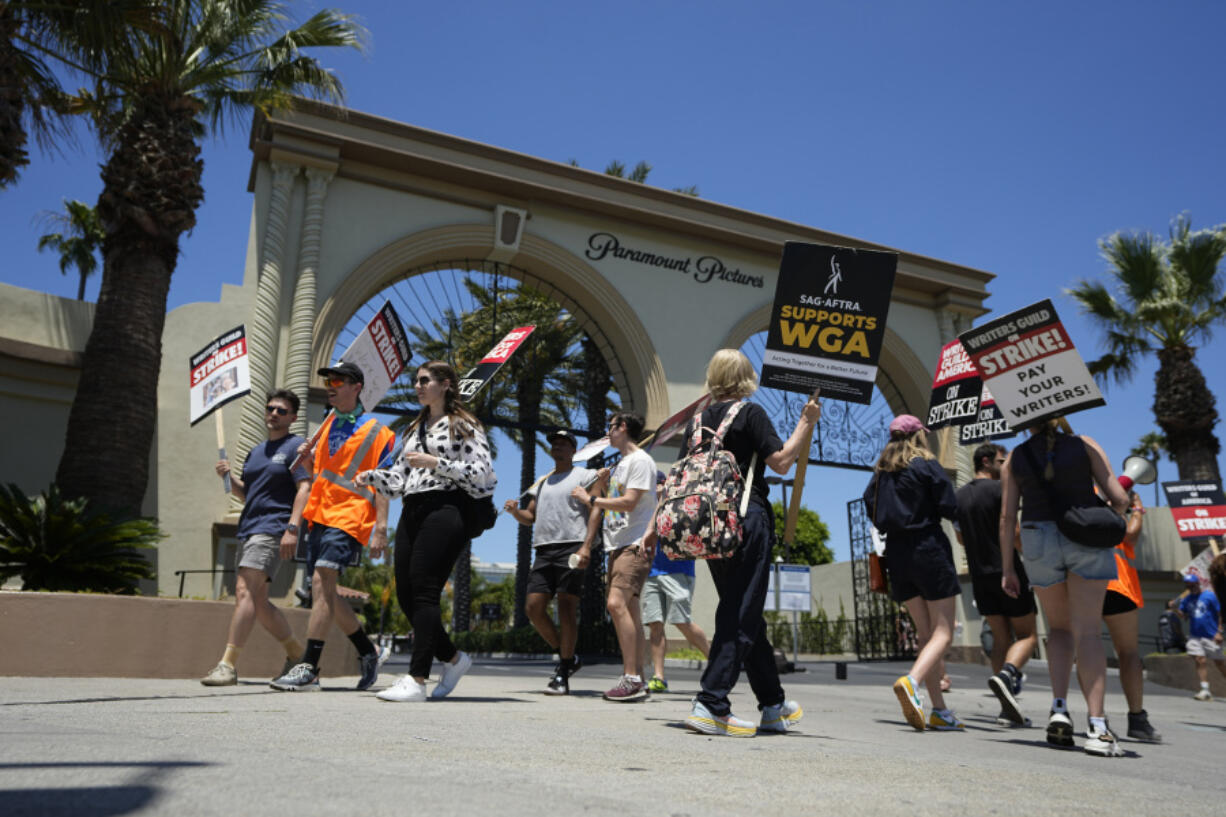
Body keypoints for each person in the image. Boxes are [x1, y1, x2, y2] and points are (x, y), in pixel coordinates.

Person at [648, 349, 817, 736]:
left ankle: (773, 704)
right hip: (746, 519)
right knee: (740, 612)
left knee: (746, 612)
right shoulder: (750, 413)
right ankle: (711, 702)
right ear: (746, 377)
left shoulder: (696, 423)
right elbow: (781, 462)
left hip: (710, 526)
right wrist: (805, 423)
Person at [361, 360, 497, 702]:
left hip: (446, 508)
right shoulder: (414, 428)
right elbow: (398, 481)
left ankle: (417, 678)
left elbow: (483, 474)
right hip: (413, 508)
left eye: (425, 381)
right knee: (406, 593)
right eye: (416, 381)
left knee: (425, 590)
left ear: (446, 384)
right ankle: (453, 658)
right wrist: (371, 477)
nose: (418, 386)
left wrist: (439, 464)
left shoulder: (462, 424)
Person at [1000, 417, 1129, 756]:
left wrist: (1007, 568)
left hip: (1037, 538)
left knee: (1057, 629)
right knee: (1087, 632)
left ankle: (1059, 709)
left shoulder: (1015, 457)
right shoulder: (1085, 445)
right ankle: (1097, 726)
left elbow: (1007, 517)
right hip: (1084, 531)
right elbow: (1120, 498)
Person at [271, 362, 394, 692]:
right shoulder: (324, 427)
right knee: (322, 589)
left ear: (357, 387)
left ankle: (309, 667)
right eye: (328, 380)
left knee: (322, 579)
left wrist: (381, 528)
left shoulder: (378, 432)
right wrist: (307, 458)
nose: (331, 385)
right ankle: (370, 651)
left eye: (338, 380)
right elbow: (319, 474)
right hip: (319, 515)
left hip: (351, 515)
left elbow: (384, 482)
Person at [201, 389, 310, 686]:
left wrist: (292, 528)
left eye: (281, 410)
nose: (274, 413)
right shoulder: (256, 451)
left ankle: (228, 665)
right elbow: (248, 494)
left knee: (244, 592)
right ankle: (297, 653)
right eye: (271, 408)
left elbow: (304, 488)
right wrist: (228, 478)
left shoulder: (296, 446)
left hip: (273, 528)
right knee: (259, 602)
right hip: (249, 528)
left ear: (292, 418)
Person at [865, 414, 964, 733]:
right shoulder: (925, 463)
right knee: (944, 631)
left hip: (896, 552)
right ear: (917, 436)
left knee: (925, 634)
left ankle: (939, 710)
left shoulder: (881, 473)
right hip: (928, 547)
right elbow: (950, 504)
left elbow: (871, 508)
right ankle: (912, 681)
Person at [504, 430, 605, 695]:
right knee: (533, 608)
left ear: (574, 450)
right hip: (544, 550)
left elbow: (596, 509)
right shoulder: (543, 481)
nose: (557, 447)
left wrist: (586, 546)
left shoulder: (585, 476)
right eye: (554, 444)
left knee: (566, 608)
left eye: (563, 443)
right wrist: (516, 512)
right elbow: (530, 517)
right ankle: (568, 657)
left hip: (572, 546)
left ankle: (562, 671)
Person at [570, 410, 656, 703]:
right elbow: (621, 499)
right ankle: (639, 679)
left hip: (633, 545)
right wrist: (605, 486)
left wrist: (591, 498)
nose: (608, 433)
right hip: (618, 544)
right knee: (630, 610)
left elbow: (630, 503)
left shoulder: (641, 461)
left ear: (623, 427)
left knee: (615, 603)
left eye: (611, 427)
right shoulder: (623, 463)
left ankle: (631, 678)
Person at [954, 442, 1038, 727]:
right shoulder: (1003, 489)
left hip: (980, 577)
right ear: (987, 461)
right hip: (1008, 570)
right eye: (1002, 461)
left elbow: (961, 539)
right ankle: (1008, 674)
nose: (1006, 467)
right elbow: (1014, 532)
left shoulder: (959, 497)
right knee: (1028, 636)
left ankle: (1006, 707)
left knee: (1001, 639)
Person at [642, 469, 710, 693]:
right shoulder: (644, 507)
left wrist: (663, 497)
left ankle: (717, 662)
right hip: (653, 572)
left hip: (678, 570)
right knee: (655, 625)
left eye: (656, 484)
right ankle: (659, 677)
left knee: (682, 621)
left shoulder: (677, 501)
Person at [1102, 491, 1160, 740]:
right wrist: (1137, 508)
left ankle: (1097, 717)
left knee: (1085, 645)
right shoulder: (1107, 503)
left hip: (1082, 580)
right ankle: (1137, 718)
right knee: (1128, 653)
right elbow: (1130, 535)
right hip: (1116, 585)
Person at [1176, 571, 1225, 702]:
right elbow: (1184, 615)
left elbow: (1219, 613)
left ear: (1198, 583)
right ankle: (1205, 689)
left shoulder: (1209, 596)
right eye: (1188, 585)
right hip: (1195, 635)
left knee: (1220, 663)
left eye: (1192, 584)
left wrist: (1219, 631)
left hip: (1211, 635)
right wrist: (1176, 608)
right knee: (1200, 659)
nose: (1191, 587)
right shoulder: (1186, 600)